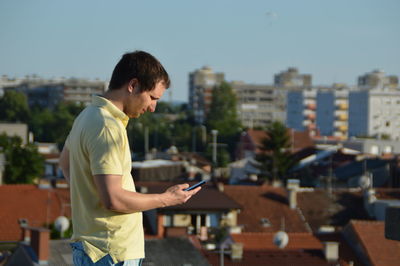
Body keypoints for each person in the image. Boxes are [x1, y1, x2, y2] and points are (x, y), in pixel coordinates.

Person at [59, 51, 201, 266]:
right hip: (111, 251)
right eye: (152, 98)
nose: (153, 107)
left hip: (95, 248)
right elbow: (114, 199)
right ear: (133, 85)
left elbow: (64, 161)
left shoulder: (88, 115)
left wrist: (87, 197)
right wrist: (166, 199)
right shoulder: (108, 127)